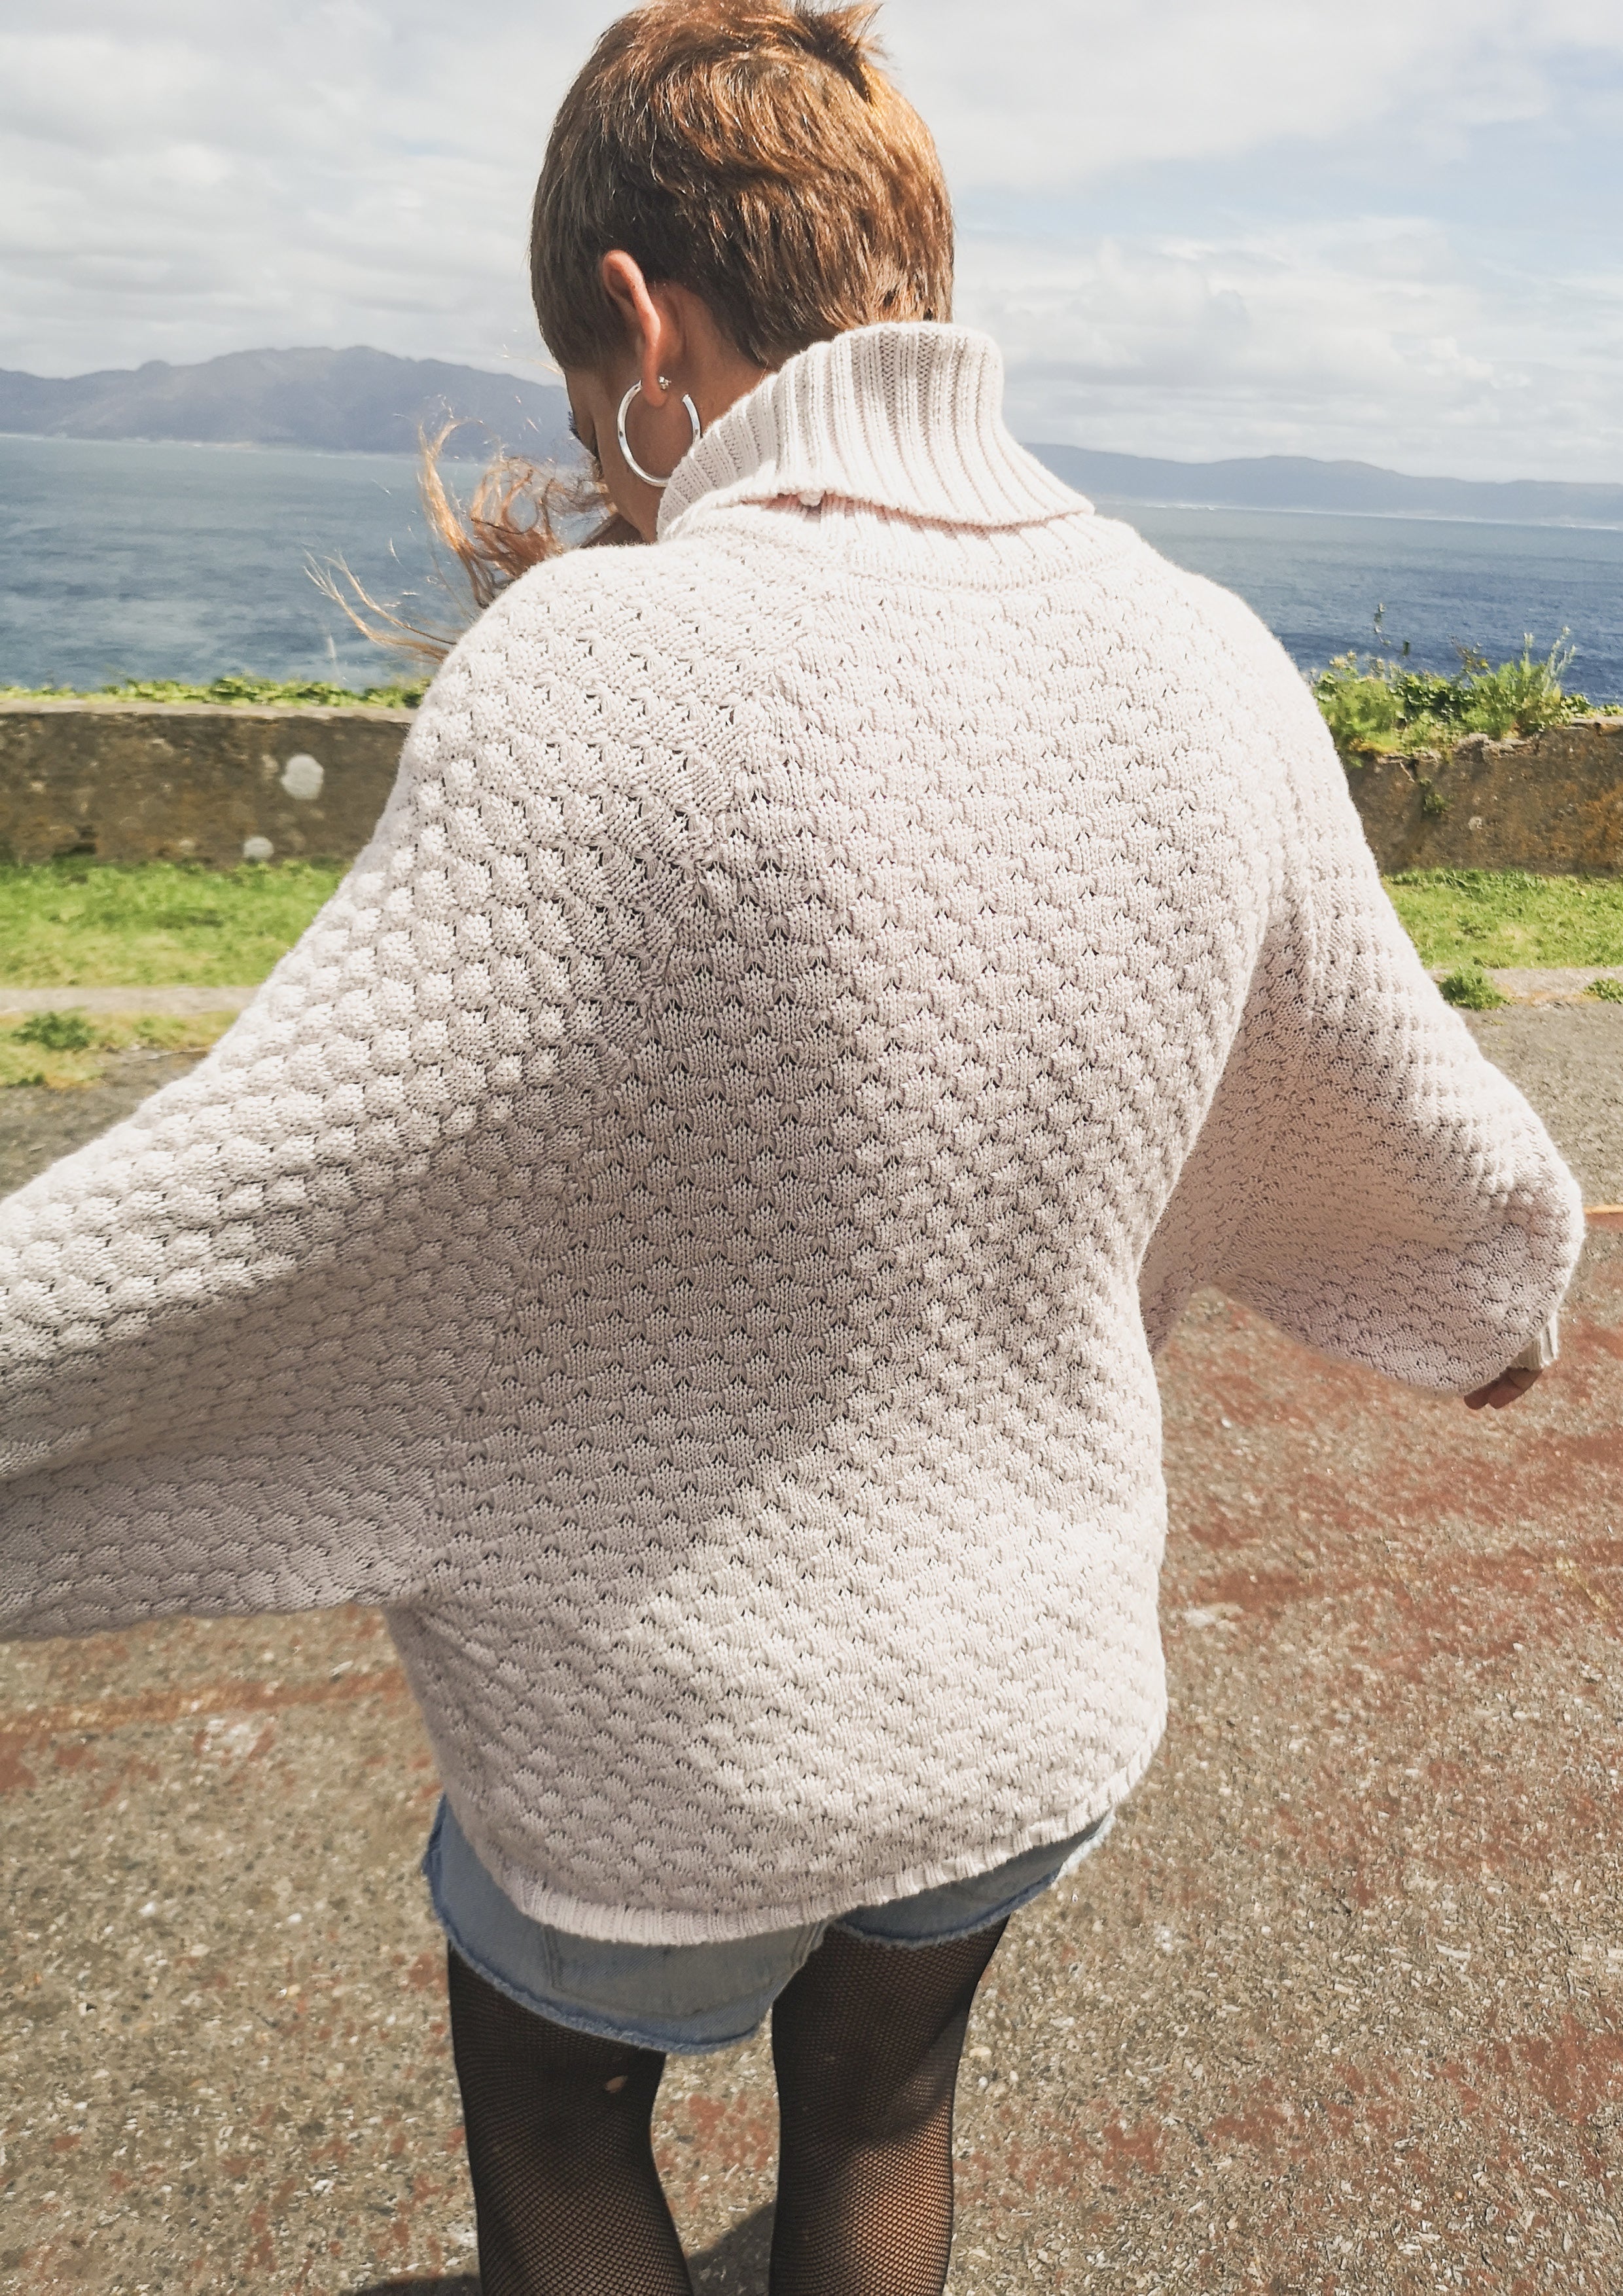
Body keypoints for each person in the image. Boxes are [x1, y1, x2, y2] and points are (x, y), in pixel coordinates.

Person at [0, 5, 1582, 2291]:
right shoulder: (1206, 659)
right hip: (1026, 1695)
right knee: (887, 2103)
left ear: (640, 317)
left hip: (652, 1743)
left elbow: (258, 1201)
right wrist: (1501, 1297)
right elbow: (1394, 1092)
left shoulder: (598, 676)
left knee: (560, 2125)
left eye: (577, 385)